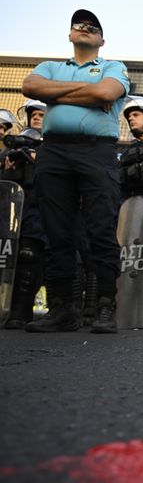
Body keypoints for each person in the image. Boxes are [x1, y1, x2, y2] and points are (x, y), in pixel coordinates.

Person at [21, 8, 130, 334]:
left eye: (91, 26)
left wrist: (54, 93)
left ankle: (105, 307)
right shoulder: (49, 66)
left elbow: (106, 92)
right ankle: (62, 309)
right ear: (70, 35)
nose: (84, 28)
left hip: (96, 152)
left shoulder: (112, 67)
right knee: (56, 232)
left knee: (100, 229)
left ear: (101, 39)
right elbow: (30, 87)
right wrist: (88, 94)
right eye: (77, 25)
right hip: (53, 151)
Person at [1, 102, 46, 329]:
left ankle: (21, 308)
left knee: (29, 254)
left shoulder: (54, 146)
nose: (37, 118)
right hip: (11, 208)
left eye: (42, 115)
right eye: (34, 115)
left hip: (39, 207)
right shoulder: (14, 146)